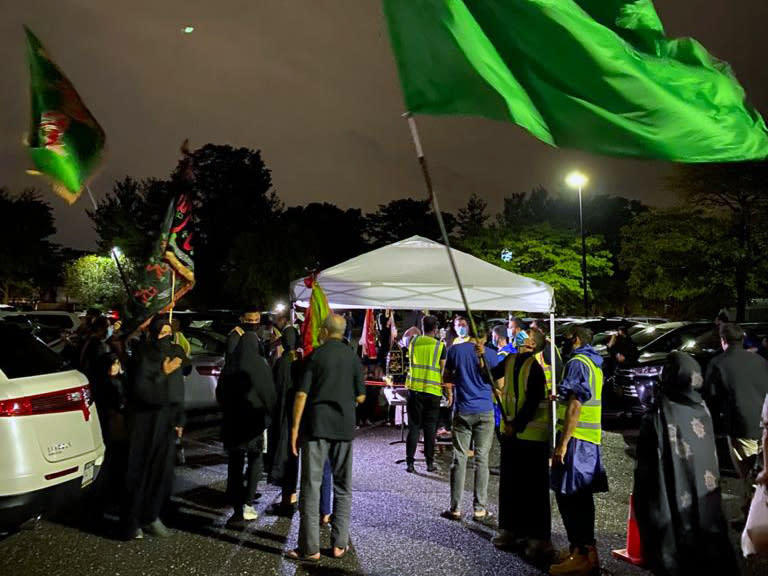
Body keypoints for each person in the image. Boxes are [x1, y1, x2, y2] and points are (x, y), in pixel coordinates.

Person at [634, 351, 738, 576]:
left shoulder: (659, 414)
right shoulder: (702, 409)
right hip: (705, 504)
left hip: (672, 503)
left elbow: (647, 473)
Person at [286, 314, 366, 561]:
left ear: (324, 331)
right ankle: (340, 544)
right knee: (343, 487)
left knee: (311, 487)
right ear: (342, 332)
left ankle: (310, 549)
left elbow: (301, 395)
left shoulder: (315, 357)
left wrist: (294, 429)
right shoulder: (352, 357)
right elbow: (361, 397)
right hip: (343, 429)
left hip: (316, 427)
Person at [121, 317, 189, 540]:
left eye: (169, 332)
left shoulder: (175, 353)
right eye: (161, 332)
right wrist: (163, 372)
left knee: (161, 473)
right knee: (138, 470)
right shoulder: (143, 353)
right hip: (143, 420)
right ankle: (131, 522)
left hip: (166, 421)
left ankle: (151, 516)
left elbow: (178, 388)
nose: (165, 337)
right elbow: (140, 388)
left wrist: (179, 419)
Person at [549, 325, 608, 576]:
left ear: (575, 339)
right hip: (588, 439)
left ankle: (582, 556)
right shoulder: (593, 362)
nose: (563, 342)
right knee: (580, 497)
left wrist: (562, 444)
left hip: (577, 441)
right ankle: (582, 551)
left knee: (571, 498)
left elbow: (576, 407)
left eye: (566, 337)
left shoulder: (577, 362)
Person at [494, 330, 553, 563]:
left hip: (531, 437)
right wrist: (481, 358)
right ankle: (511, 530)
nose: (520, 339)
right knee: (510, 486)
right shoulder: (509, 361)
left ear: (531, 345)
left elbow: (533, 401)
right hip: (512, 437)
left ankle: (536, 538)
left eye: (525, 337)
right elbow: (488, 376)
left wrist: (515, 425)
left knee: (533, 490)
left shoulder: (535, 367)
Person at [217, 308, 276, 522]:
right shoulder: (261, 366)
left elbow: (220, 393)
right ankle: (248, 502)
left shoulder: (231, 366)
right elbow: (269, 395)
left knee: (234, 462)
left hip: (233, 423)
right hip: (254, 423)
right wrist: (269, 415)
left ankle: (236, 505)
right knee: (255, 461)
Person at [704, 322, 768, 509]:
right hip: (764, 423)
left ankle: (752, 515)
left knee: (749, 472)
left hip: (741, 426)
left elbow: (710, 398)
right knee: (763, 467)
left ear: (723, 340)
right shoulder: (760, 361)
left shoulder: (718, 363)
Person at [442, 317, 498, 521]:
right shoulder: (492, 355)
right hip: (485, 410)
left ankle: (455, 508)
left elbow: (446, 378)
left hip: (463, 410)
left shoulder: (455, 351)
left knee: (459, 458)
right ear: (485, 335)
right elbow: (498, 385)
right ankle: (480, 508)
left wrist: (461, 378)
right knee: (482, 459)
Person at [405, 315, 446, 473]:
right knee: (430, 428)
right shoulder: (440, 346)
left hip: (414, 390)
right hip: (433, 391)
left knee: (414, 427)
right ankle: (430, 463)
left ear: (422, 327)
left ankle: (410, 463)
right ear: (435, 328)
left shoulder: (413, 342)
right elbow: (442, 370)